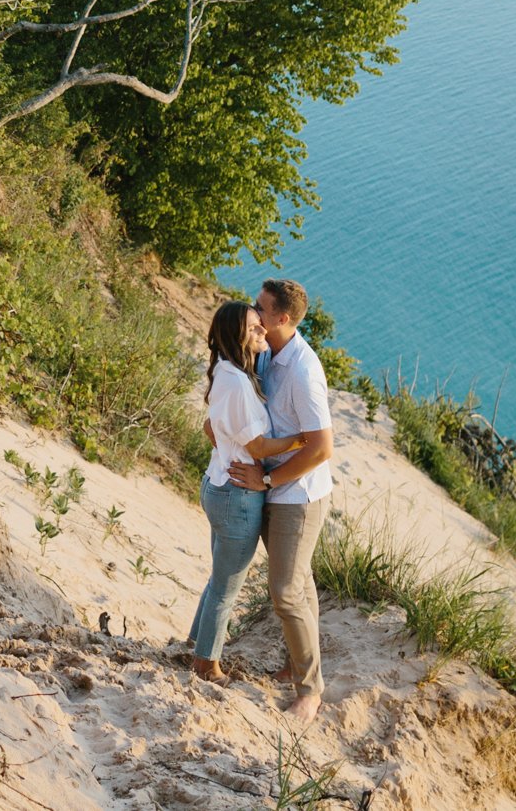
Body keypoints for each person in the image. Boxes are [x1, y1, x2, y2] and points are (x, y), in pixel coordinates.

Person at [229, 277, 335, 720]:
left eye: (261, 306)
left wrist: (269, 484)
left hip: (299, 497)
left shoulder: (304, 372)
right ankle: (296, 666)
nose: (254, 310)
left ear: (282, 318)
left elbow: (321, 446)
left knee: (285, 591)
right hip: (278, 489)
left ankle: (310, 692)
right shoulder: (271, 354)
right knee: (300, 584)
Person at [189, 300, 300, 682]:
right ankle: (207, 665)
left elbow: (210, 427)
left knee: (218, 578)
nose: (262, 332)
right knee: (226, 587)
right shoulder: (237, 381)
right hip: (236, 495)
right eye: (253, 328)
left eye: (260, 325)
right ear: (237, 336)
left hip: (218, 483)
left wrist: (225, 448)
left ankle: (195, 644)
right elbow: (258, 448)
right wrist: (301, 441)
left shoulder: (227, 371)